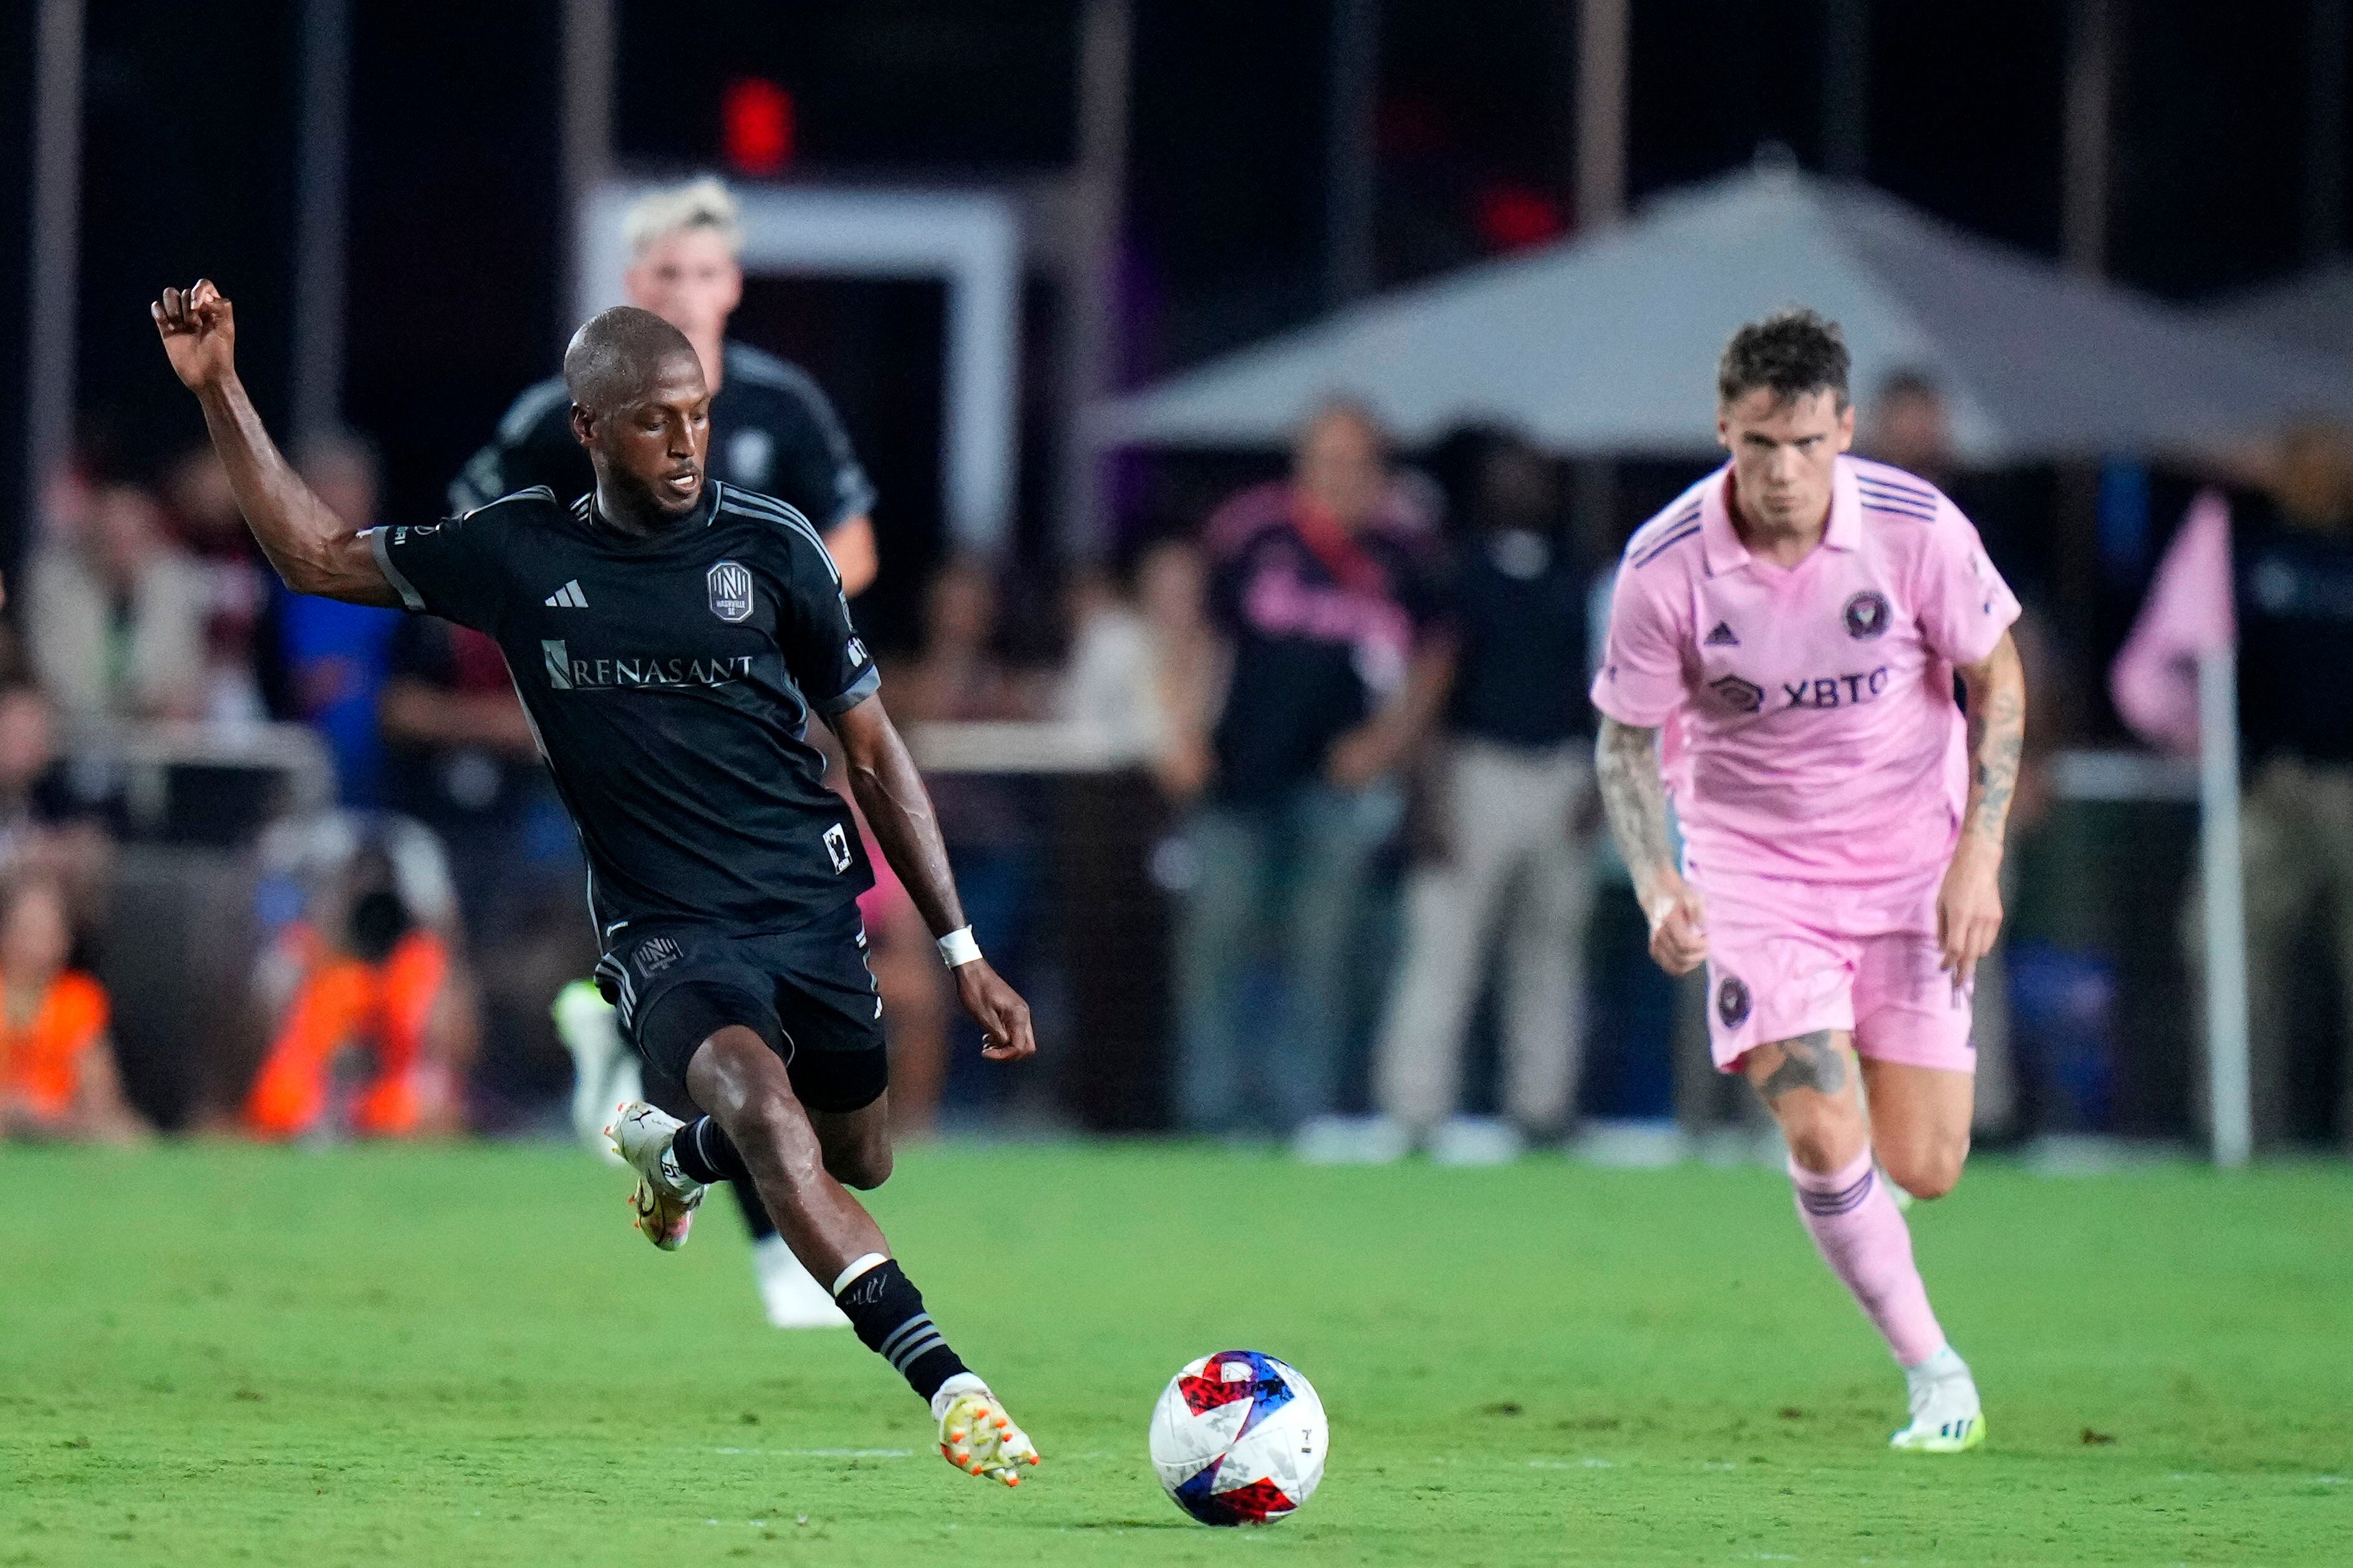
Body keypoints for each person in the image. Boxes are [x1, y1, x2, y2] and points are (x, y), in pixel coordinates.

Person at [155, 280, 1040, 1484]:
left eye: (695, 417)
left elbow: (874, 751)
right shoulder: (519, 551)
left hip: (808, 907)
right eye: (651, 422)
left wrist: (958, 948)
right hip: (666, 929)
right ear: (588, 427)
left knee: (859, 1153)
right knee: (767, 1118)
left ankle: (672, 1160)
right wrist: (222, 391)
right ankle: (952, 1387)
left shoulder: (773, 547)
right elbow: (313, 553)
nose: (682, 446)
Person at [1591, 309, 2024, 1453]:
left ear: (1843, 429)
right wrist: (1656, 883)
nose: (1780, 475)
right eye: (1754, 447)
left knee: (1924, 1165)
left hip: (1908, 866)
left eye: (1803, 446)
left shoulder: (1916, 531)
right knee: (1826, 1137)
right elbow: (1624, 742)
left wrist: (1977, 855)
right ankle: (1935, 1377)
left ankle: (1882, 1247)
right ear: (1723, 431)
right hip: (1754, 875)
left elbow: (1999, 678)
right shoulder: (1664, 567)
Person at [1177, 403, 1452, 1147]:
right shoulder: (1251, 530)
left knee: (1320, 947)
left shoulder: (1402, 548)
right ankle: (1212, 1112)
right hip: (1238, 772)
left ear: (1377, 468)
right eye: (1325, 458)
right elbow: (1198, 631)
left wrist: (1386, 743)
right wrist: (1183, 733)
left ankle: (1296, 1113)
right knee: (1219, 937)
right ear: (1300, 462)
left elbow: (1434, 657)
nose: (1338, 474)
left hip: (1337, 784)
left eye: (1354, 460)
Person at [450, 176, 878, 597]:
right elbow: (474, 522)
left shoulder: (783, 404)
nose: (686, 294)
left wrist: (760, 601)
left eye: (705, 274)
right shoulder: (565, 408)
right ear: (635, 283)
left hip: (746, 659)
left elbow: (854, 548)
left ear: (732, 285)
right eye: (668, 274)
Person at [2111, 422, 2353, 1150]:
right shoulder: (2234, 540)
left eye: (2332, 458)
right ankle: (2238, 1131)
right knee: (2225, 951)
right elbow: (2146, 673)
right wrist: (2201, 745)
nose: (2318, 473)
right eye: (2303, 459)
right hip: (2266, 784)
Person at [1370, 430, 1597, 1163]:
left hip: (1557, 773)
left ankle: (1542, 1105)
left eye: (1531, 476)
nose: (1521, 490)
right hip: (1474, 773)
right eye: (1506, 477)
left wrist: (1594, 783)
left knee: (1550, 952)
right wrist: (1427, 799)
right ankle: (1414, 1106)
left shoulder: (1573, 578)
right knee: (1443, 948)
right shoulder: (1454, 576)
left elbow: (1603, 688)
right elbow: (1430, 691)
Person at [26, 481, 210, 724]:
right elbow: (57, 679)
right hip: (72, 734)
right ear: (91, 537)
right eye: (112, 537)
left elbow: (181, 677)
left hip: (154, 738)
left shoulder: (178, 582)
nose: (122, 549)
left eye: (132, 536)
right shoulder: (54, 583)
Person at [0, 875, 143, 1142]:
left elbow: (101, 1098)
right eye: (29, 927)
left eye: (49, 928)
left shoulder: (79, 999)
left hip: (62, 1127)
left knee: (125, 1136)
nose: (40, 939)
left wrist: (46, 1116)